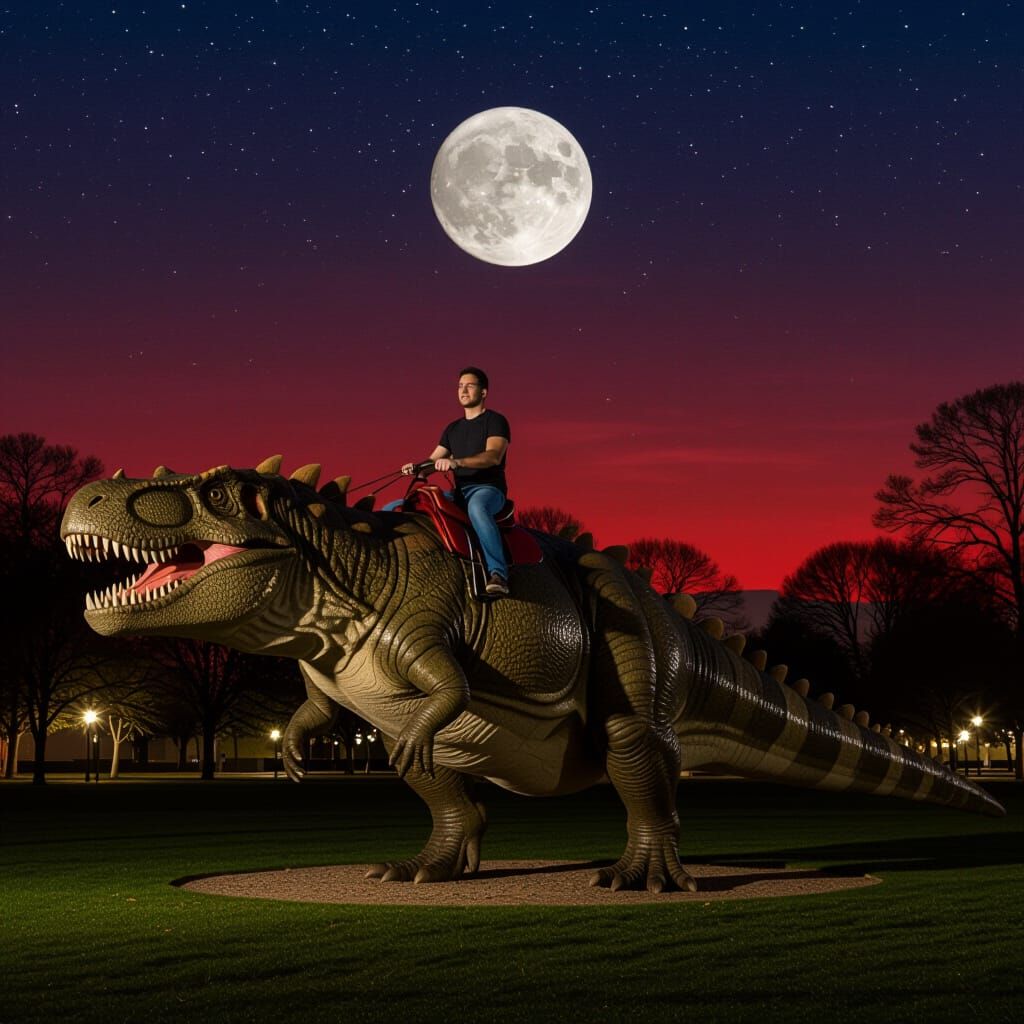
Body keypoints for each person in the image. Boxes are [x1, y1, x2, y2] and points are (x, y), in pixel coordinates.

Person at [402, 366, 512, 596]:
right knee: (397, 506)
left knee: (478, 508)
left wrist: (457, 462)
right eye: (460, 386)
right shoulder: (452, 428)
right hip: (459, 493)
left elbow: (493, 456)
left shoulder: (495, 421)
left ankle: (498, 574)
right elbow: (433, 460)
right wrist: (416, 468)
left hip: (488, 490)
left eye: (469, 385)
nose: (463, 390)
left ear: (483, 392)